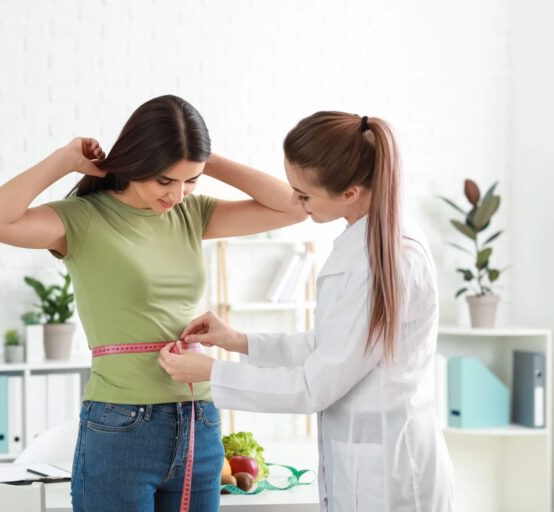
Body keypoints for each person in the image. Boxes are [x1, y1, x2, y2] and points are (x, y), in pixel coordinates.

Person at [0, 94, 307, 512]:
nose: (177, 195)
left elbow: (295, 208)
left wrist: (203, 159)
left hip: (198, 420)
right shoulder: (81, 219)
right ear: (135, 163)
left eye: (191, 181)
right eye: (164, 180)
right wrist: (64, 160)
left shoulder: (192, 214)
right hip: (121, 425)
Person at [158, 111, 456, 511]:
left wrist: (212, 374)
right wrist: (237, 341)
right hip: (366, 462)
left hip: (390, 475)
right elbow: (331, 346)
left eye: (304, 194)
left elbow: (314, 387)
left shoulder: (389, 256)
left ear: (350, 192)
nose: (296, 203)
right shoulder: (363, 240)